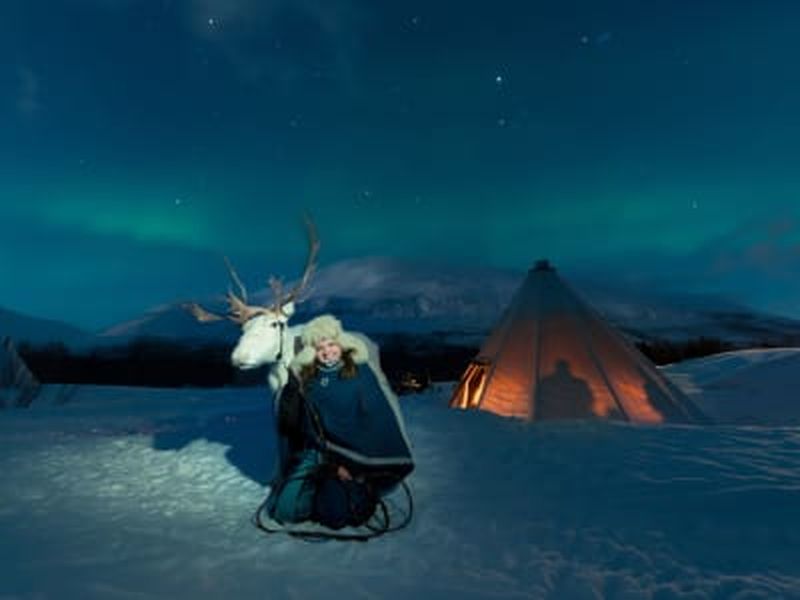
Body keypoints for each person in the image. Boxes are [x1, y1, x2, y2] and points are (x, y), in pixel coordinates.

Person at [265, 315, 414, 528]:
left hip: (357, 457)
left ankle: (358, 488)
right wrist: (329, 462)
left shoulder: (361, 372)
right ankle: (322, 488)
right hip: (321, 453)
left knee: (334, 515)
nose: (327, 351)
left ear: (341, 343)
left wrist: (351, 466)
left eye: (331, 344)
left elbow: (377, 420)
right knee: (285, 511)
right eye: (320, 347)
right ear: (311, 352)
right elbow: (308, 424)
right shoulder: (310, 379)